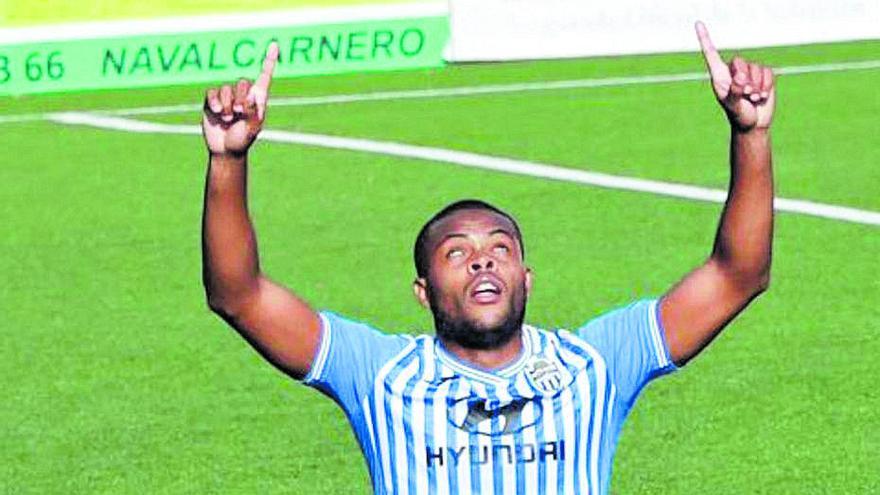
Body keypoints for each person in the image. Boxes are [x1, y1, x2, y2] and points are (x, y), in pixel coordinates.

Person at [200, 22, 774, 495]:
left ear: (525, 278)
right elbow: (238, 295)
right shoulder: (379, 373)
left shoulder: (595, 362)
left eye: (500, 248)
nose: (483, 261)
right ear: (422, 289)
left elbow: (737, 275)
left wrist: (750, 135)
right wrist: (229, 161)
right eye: (458, 253)